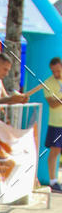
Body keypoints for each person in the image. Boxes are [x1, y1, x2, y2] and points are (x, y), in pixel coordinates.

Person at [43, 56, 62, 192]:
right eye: (53, 71)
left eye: (58, 71)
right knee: (55, 151)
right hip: (56, 123)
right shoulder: (48, 83)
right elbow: (52, 103)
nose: (56, 74)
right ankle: (53, 181)